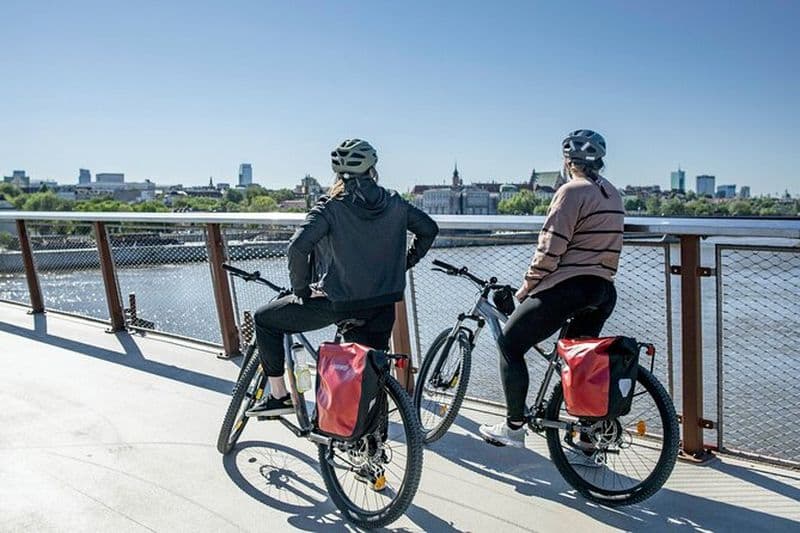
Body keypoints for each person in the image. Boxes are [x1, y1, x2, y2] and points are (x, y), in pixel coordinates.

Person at [246, 138, 439, 417]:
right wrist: (403, 264)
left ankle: (279, 396)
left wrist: (301, 291)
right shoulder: (396, 203)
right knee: (370, 369)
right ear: (373, 169)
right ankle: (372, 439)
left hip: (339, 303)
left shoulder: (331, 207)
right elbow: (429, 230)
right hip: (383, 303)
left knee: (264, 319)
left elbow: (298, 248)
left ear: (337, 173)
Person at [479, 129, 624, 448]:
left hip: (570, 288)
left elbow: (550, 249)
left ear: (568, 161)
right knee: (578, 360)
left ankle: (514, 428)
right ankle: (588, 434)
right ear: (599, 160)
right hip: (602, 290)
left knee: (510, 344)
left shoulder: (571, 191)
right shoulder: (613, 193)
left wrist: (525, 289)